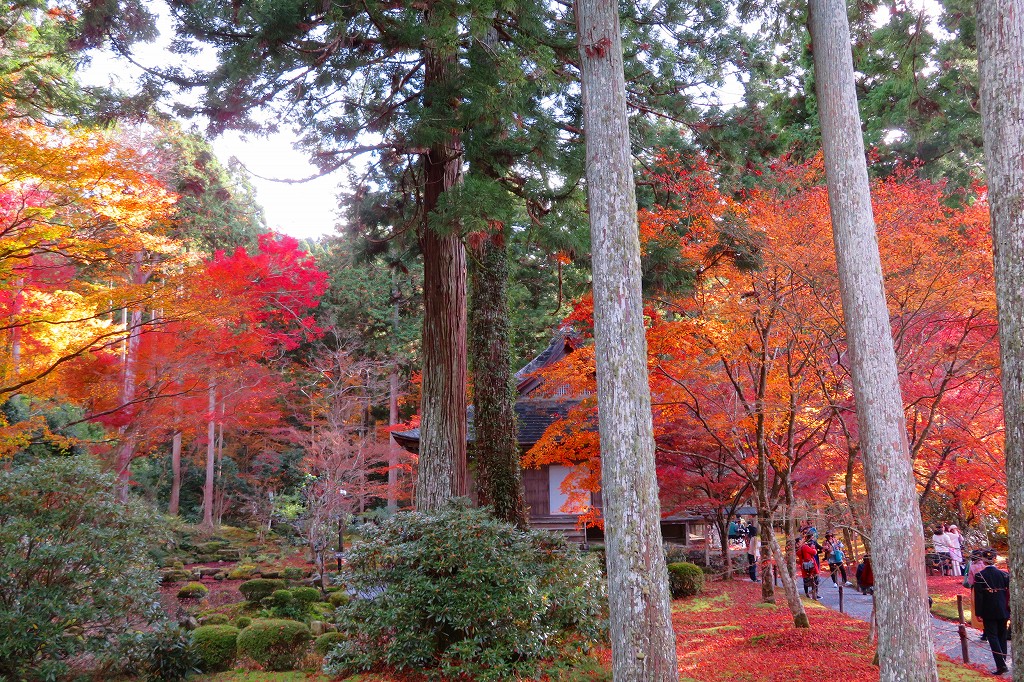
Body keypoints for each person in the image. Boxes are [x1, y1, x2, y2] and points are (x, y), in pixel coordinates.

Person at [972, 549, 1010, 675]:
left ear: (983, 560)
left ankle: (1001, 664)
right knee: (1002, 636)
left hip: (988, 610)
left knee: (992, 636)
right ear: (994, 559)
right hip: (1002, 608)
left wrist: (978, 613)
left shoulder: (980, 575)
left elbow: (979, 596)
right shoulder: (1004, 575)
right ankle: (1002, 662)